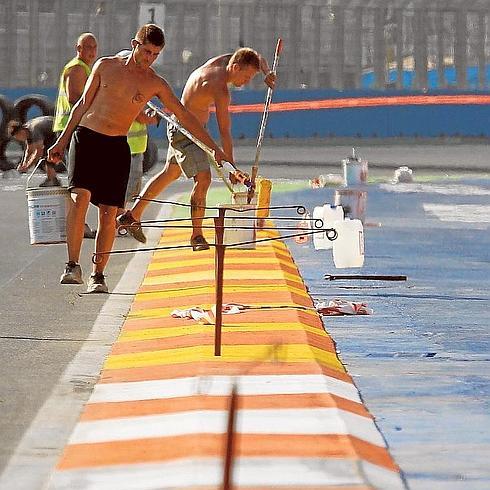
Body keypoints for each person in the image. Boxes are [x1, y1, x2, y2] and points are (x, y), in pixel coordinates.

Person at [48, 24, 227, 294]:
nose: (149, 58)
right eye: (146, 51)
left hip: (116, 146)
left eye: (155, 54)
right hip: (87, 137)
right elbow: (82, 104)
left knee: (109, 213)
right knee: (80, 196)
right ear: (135, 44)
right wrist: (62, 141)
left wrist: (214, 148)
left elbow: (184, 115)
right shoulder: (105, 66)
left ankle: (98, 274)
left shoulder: (154, 83)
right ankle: (72, 264)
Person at [117, 47, 275, 251]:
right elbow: (224, 131)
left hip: (184, 124)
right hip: (186, 131)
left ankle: (132, 215)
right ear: (235, 67)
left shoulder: (225, 61)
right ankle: (197, 235)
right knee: (203, 178)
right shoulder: (219, 89)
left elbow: (257, 56)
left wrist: (266, 71)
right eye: (246, 76)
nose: (246, 82)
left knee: (170, 173)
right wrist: (232, 168)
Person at [53, 32, 98, 238]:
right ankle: (78, 224)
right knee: (79, 182)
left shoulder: (86, 68)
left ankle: (79, 223)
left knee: (81, 182)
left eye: (93, 47)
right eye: (86, 47)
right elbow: (75, 98)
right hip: (71, 129)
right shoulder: (78, 68)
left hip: (74, 128)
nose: (90, 52)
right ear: (78, 49)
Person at [8, 116, 60, 186]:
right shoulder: (27, 130)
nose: (19, 140)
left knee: (47, 154)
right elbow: (29, 150)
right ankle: (52, 178)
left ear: (21, 132)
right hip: (49, 133)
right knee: (45, 155)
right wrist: (23, 163)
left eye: (18, 137)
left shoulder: (34, 130)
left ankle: (52, 180)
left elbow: (38, 152)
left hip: (57, 130)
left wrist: (27, 167)